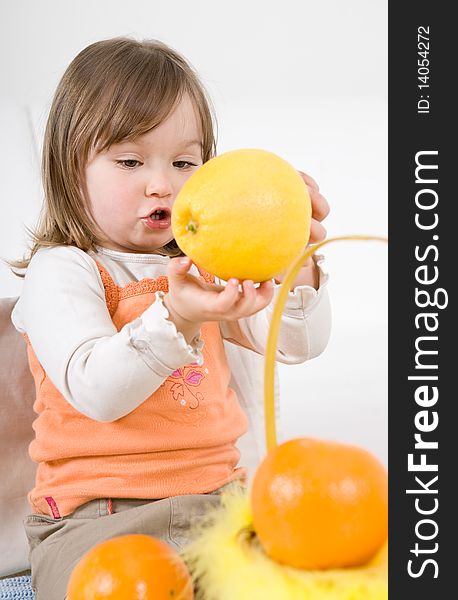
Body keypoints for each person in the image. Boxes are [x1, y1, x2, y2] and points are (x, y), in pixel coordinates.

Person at [11, 37, 331, 599]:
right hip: (99, 522)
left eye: (185, 161)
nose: (162, 182)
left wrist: (295, 265)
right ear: (69, 170)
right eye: (131, 161)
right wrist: (177, 316)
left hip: (218, 512)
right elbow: (99, 392)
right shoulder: (62, 270)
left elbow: (297, 343)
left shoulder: (208, 265)